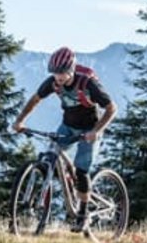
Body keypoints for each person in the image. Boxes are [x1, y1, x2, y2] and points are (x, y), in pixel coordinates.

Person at [11, 47, 119, 232]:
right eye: (55, 73)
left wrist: (96, 131)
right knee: (50, 156)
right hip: (67, 126)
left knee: (81, 170)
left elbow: (112, 109)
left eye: (62, 72)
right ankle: (46, 204)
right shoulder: (53, 83)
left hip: (90, 129)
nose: (58, 77)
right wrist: (20, 121)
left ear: (72, 68)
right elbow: (35, 99)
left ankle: (83, 215)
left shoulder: (88, 84)